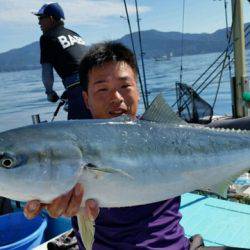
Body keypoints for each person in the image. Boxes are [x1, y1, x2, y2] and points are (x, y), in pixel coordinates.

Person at [24, 42, 245, 250]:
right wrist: (56, 205)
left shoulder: (165, 132)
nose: (117, 97)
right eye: (102, 89)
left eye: (124, 86)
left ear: (137, 90)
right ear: (86, 98)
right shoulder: (75, 146)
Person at [33, 2, 91, 119]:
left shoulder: (47, 37)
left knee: (76, 131)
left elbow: (47, 72)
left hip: (77, 87)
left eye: (41, 18)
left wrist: (50, 93)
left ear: (51, 18)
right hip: (97, 83)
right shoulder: (75, 34)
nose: (39, 22)